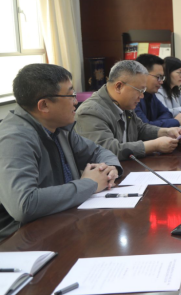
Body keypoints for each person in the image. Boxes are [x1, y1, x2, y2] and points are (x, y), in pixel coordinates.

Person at [0, 64, 121, 241]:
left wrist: (110, 168)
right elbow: (24, 204)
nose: (76, 101)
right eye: (71, 95)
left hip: (63, 223)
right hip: (22, 241)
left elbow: (98, 152)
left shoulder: (59, 127)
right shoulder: (14, 139)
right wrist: (89, 184)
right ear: (44, 105)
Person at [75, 60, 181, 160]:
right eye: (139, 90)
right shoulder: (90, 112)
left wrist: (166, 132)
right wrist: (154, 146)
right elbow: (106, 150)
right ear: (119, 87)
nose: (142, 96)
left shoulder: (124, 103)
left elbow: (140, 128)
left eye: (143, 91)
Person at [134, 54, 181, 127]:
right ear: (142, 75)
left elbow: (167, 113)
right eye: (158, 77)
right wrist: (175, 121)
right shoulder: (133, 97)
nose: (161, 82)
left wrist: (154, 123)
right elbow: (144, 127)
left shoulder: (151, 94)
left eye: (162, 77)